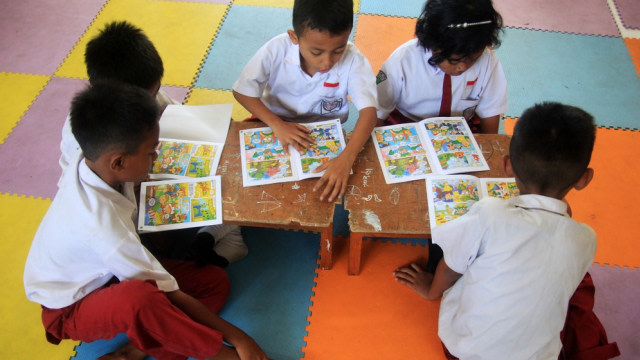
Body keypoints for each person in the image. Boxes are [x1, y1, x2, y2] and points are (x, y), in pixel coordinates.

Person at [25, 81, 268, 360]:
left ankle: (137, 350)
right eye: (152, 152)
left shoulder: (94, 162)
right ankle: (223, 357)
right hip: (70, 307)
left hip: (106, 274)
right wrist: (240, 339)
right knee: (142, 300)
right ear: (117, 162)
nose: (157, 157)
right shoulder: (102, 226)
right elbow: (169, 294)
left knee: (213, 282)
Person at [394, 102, 598, 359]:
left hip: (465, 351)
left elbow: (451, 266)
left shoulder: (490, 213)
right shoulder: (586, 238)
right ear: (584, 178)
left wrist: (431, 290)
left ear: (507, 165)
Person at [58, 20, 247, 267]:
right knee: (214, 202)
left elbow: (182, 115)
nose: (153, 100)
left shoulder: (144, 96)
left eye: (155, 91)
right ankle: (201, 246)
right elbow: (109, 205)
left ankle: (210, 240)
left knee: (230, 184)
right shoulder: (85, 143)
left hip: (147, 176)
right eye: (147, 96)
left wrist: (218, 128)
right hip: (128, 207)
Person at [232, 0, 378, 202]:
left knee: (324, 189)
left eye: (338, 50)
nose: (327, 62)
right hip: (272, 122)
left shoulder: (354, 59)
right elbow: (242, 91)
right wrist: (277, 125)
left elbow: (369, 112)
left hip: (323, 132)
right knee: (248, 176)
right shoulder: (276, 49)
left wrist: (347, 158)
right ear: (294, 37)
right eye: (316, 52)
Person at [376, 0, 507, 134]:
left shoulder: (488, 62)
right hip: (407, 126)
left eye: (472, 59)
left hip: (461, 129)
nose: (462, 67)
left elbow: (490, 114)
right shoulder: (402, 61)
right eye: (454, 60)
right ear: (434, 45)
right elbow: (377, 113)